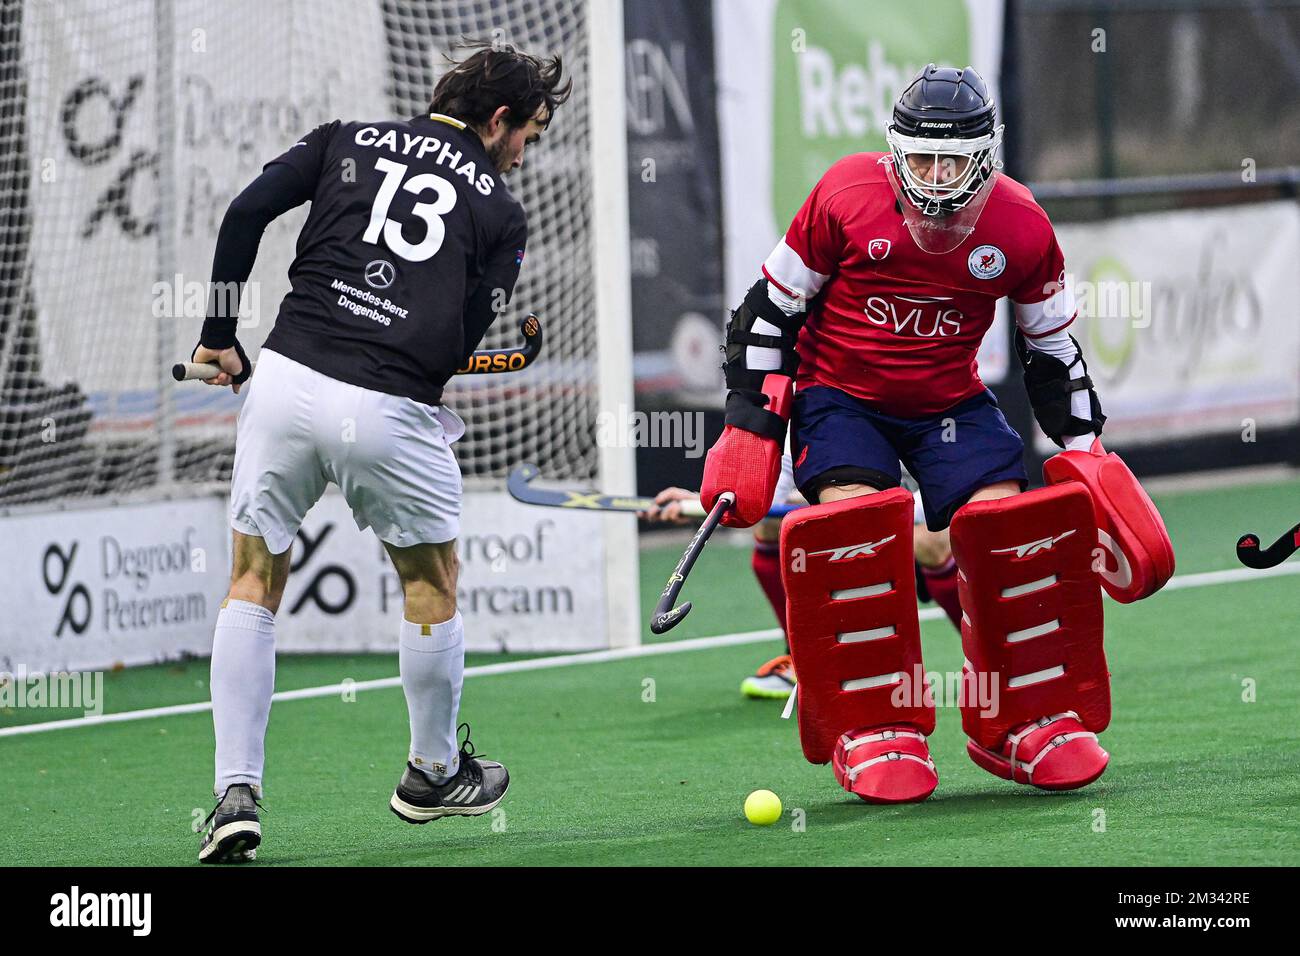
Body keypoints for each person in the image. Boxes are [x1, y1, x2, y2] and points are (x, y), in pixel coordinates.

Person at [190, 42, 571, 862]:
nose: (524, 154)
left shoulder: (342, 138)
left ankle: (234, 792)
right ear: (497, 120)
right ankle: (431, 773)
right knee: (430, 583)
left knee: (253, 579)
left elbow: (243, 215)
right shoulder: (502, 213)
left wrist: (220, 339)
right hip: (390, 406)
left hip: (285, 381)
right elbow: (458, 340)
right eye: (528, 135)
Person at [698, 65, 1120, 804]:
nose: (933, 175)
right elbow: (768, 313)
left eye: (952, 159)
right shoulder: (844, 193)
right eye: (920, 156)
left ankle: (1019, 718)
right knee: (857, 532)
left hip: (948, 400)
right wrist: (749, 427)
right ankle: (873, 724)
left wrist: (1087, 454)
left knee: (1004, 535)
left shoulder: (1022, 225)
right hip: (840, 395)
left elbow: (1052, 355)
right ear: (895, 150)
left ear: (986, 155)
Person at [644, 455, 962, 701]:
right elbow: (771, 491)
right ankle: (806, 666)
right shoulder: (814, 396)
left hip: (922, 508)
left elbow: (952, 483)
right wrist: (708, 505)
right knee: (775, 525)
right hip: (861, 508)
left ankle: (989, 663)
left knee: (932, 542)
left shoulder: (922, 388)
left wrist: (886, 512)